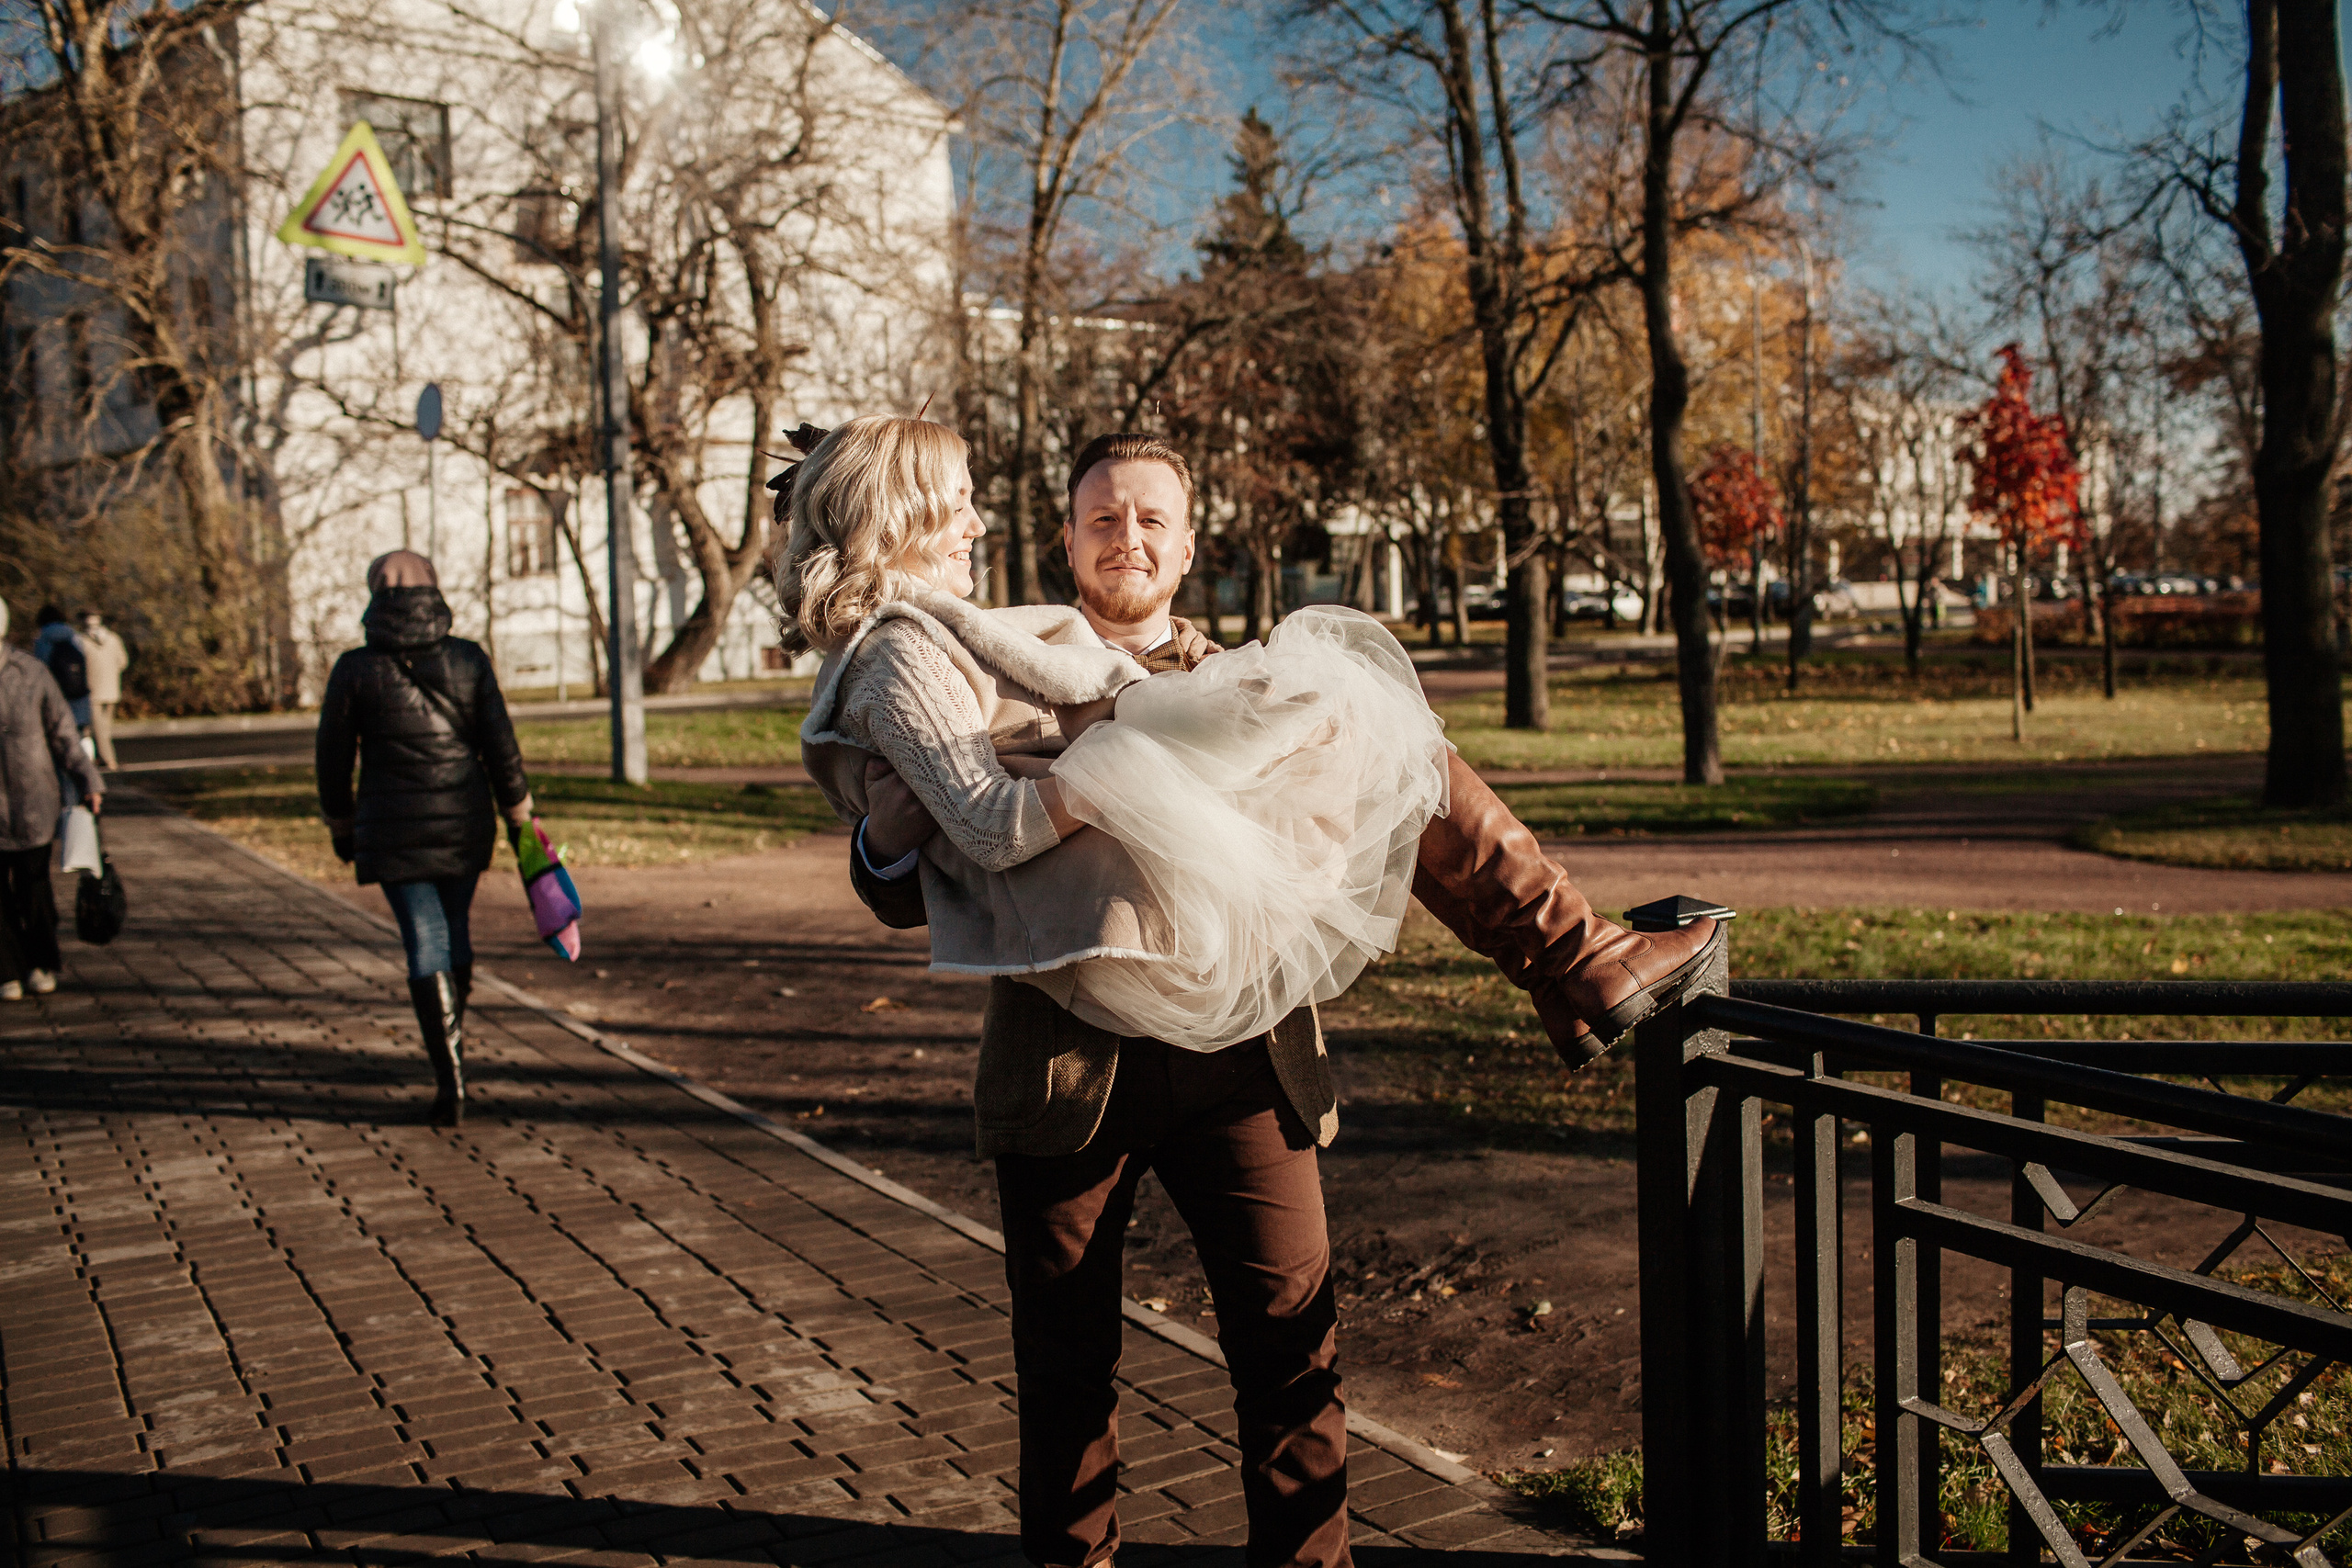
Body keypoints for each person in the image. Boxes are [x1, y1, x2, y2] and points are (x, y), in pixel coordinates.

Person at [776, 420, 1718, 1568]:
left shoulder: (1251, 684)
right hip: (1067, 1069)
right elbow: (921, 869)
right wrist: (883, 840)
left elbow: (1348, 841)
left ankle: (1570, 955)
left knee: (1291, 1356)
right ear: (1067, 542)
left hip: (1246, 1058)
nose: (1127, 537)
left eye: (1151, 519)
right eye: (1103, 517)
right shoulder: (982, 657)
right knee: (1065, 1373)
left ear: (1186, 548)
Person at [316, 551, 535, 1125]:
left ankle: (450, 1082)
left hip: (391, 828)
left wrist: (341, 824)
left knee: (424, 937)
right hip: (464, 819)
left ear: (376, 594)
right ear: (433, 589)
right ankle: (454, 1046)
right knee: (454, 928)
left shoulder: (354, 669)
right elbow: (501, 744)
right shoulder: (468, 658)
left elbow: (332, 759)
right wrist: (518, 813)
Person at [0, 599, 105, 1000]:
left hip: (32, 800)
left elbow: (63, 732)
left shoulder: (31, 672)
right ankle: (7, 969)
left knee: (35, 889)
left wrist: (88, 780)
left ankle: (41, 962)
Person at [78, 610, 130, 770]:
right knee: (104, 728)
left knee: (99, 729)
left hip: (91, 690)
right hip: (112, 689)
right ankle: (103, 758)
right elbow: (123, 662)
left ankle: (109, 760)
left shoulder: (80, 641)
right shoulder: (113, 639)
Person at [32, 605, 92, 741]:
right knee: (81, 734)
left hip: (55, 693)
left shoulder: (42, 640)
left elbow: (40, 667)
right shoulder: (75, 637)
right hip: (79, 693)